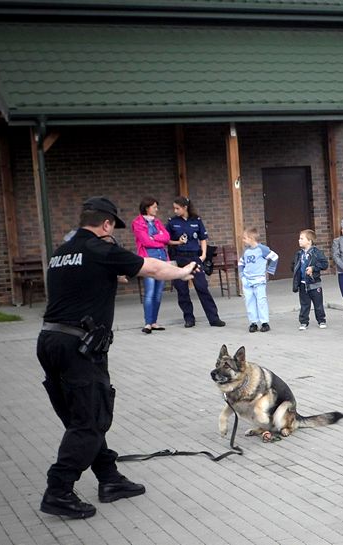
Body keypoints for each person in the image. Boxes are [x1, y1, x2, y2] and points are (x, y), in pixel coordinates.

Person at [37, 196, 196, 519]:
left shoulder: (62, 252)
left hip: (50, 341)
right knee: (90, 421)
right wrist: (181, 272)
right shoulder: (100, 249)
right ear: (106, 224)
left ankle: (109, 478)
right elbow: (151, 266)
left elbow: (85, 283)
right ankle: (58, 490)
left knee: (84, 416)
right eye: (112, 228)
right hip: (79, 347)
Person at [166, 196, 225, 328]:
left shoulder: (196, 220)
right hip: (179, 258)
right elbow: (166, 240)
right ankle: (189, 319)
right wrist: (177, 242)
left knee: (202, 287)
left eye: (177, 208)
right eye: (174, 208)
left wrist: (203, 254)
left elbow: (203, 238)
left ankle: (214, 318)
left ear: (185, 207)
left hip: (194, 257)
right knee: (182, 290)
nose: (175, 211)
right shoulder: (172, 222)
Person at [131, 196, 171, 334]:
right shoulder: (137, 223)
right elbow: (145, 242)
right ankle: (148, 323)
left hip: (161, 259)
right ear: (147, 208)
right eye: (154, 207)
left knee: (158, 293)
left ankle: (154, 322)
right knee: (150, 292)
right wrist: (158, 239)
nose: (156, 209)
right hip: (148, 261)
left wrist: (154, 238)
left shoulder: (157, 222)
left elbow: (167, 237)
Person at [239, 227, 279, 332]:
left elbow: (274, 257)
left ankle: (264, 322)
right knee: (249, 301)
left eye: (245, 238)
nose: (243, 240)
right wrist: (242, 275)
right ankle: (253, 322)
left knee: (261, 301)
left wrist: (269, 270)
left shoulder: (262, 249)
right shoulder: (246, 251)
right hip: (247, 280)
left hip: (259, 280)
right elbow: (241, 262)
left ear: (251, 238)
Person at [292, 229, 329, 330]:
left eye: (301, 238)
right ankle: (303, 322)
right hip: (303, 283)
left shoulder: (317, 253)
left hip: (314, 283)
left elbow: (324, 264)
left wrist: (313, 268)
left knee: (318, 304)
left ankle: (321, 320)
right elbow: (294, 265)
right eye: (299, 238)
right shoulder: (299, 254)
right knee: (304, 304)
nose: (299, 240)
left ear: (309, 241)